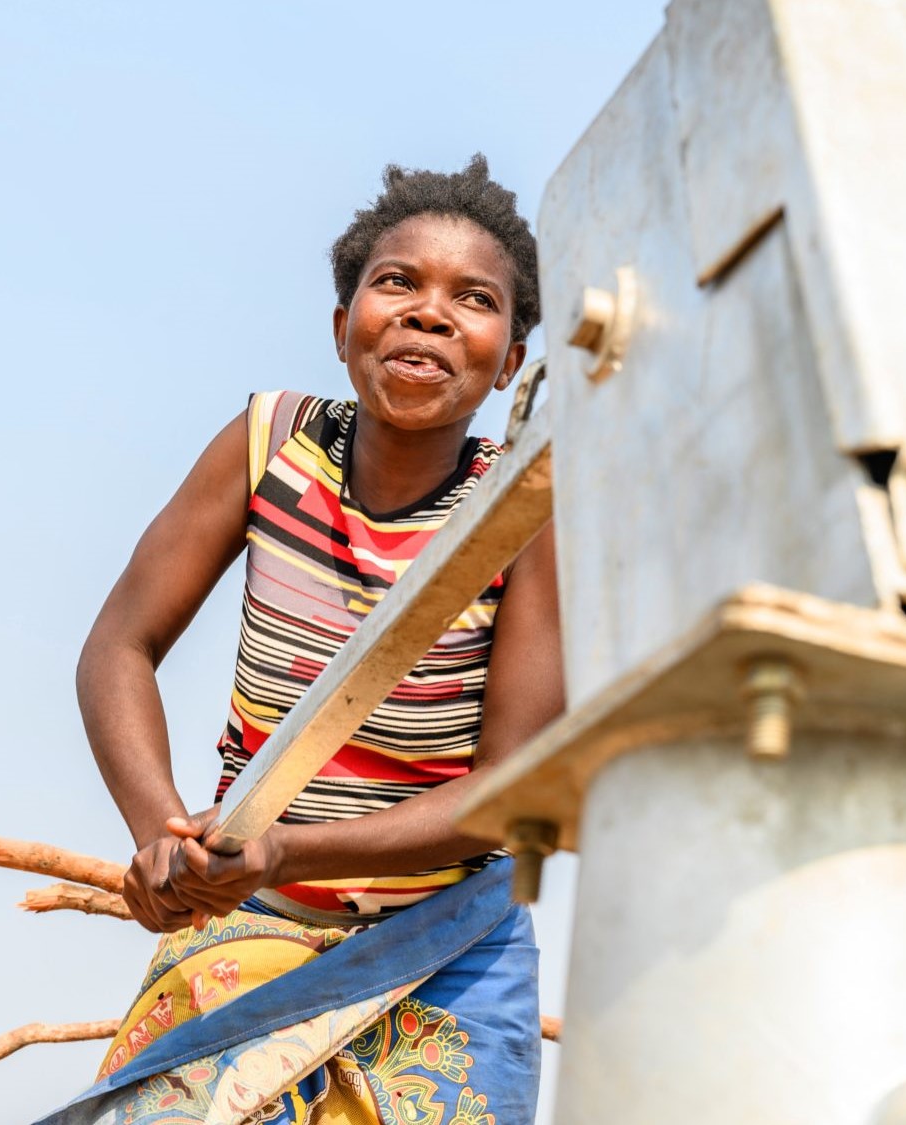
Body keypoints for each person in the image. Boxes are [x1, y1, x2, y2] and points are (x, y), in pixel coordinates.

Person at [38, 155, 562, 1125]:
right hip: (249, 910)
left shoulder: (527, 508)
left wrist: (284, 850)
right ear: (340, 326)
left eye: (472, 299)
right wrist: (163, 836)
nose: (428, 313)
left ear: (511, 357)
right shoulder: (267, 443)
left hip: (444, 941)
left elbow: (507, 797)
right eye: (396, 283)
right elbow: (118, 645)